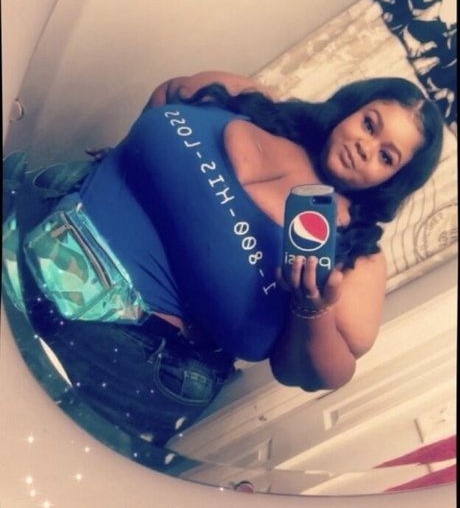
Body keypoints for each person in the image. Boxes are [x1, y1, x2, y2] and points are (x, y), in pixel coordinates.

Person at [12, 70, 444, 451]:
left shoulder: (357, 257)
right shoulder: (252, 101)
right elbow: (166, 96)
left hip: (127, 351)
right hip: (39, 221)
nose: (366, 148)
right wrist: (130, 168)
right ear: (351, 108)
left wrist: (311, 307)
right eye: (369, 124)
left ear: (395, 179)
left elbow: (319, 374)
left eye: (387, 156)